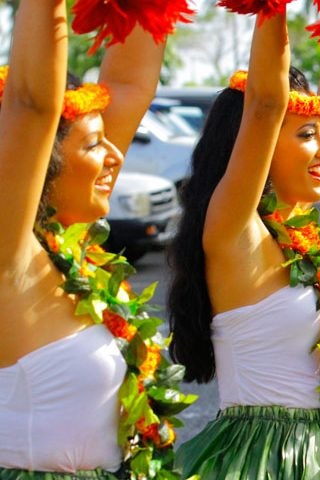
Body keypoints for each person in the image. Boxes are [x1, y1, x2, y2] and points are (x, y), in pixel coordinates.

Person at [167, 11, 320, 479]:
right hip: (258, 457)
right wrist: (269, 11)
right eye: (306, 135)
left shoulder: (297, 238)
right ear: (254, 147)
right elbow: (264, 106)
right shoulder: (235, 231)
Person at [0, 2, 189, 479]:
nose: (113, 158)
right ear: (41, 160)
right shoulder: (10, 256)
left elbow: (129, 85)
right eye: (90, 144)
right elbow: (30, 105)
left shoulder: (68, 251)